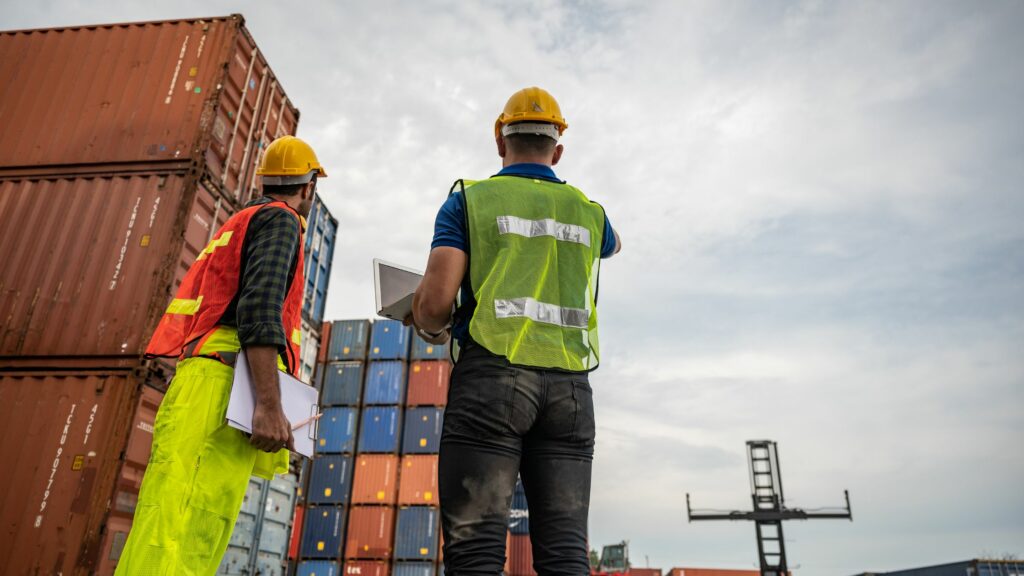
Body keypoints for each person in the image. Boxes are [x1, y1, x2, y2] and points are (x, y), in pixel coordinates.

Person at [409, 87, 622, 575]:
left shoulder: (470, 201)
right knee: (567, 553)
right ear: (559, 150)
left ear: (500, 142)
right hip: (570, 391)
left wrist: (423, 316)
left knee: (477, 554)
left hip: (493, 382)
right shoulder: (592, 213)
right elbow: (614, 243)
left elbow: (436, 306)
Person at [115, 135, 327, 574]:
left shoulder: (241, 221)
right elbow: (259, 309)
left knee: (179, 528)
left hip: (208, 380)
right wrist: (269, 405)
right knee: (181, 534)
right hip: (223, 386)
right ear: (308, 187)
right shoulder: (281, 221)